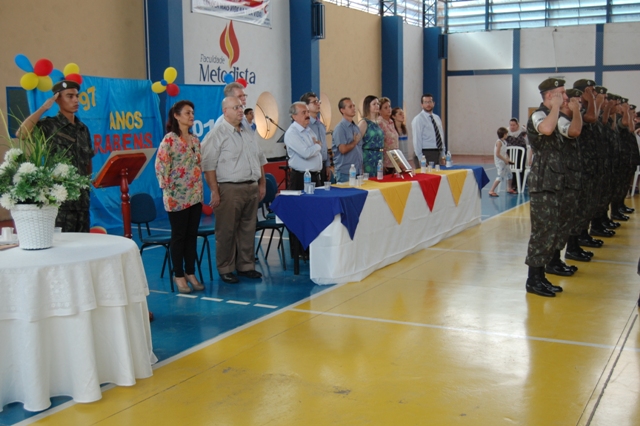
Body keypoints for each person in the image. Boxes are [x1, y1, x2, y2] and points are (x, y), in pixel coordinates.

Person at [525, 77, 581, 298]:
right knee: (542, 232)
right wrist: (556, 107)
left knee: (551, 231)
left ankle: (541, 276)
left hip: (555, 182)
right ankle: (533, 279)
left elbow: (573, 131)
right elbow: (546, 129)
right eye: (562, 93)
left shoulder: (554, 116)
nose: (566, 97)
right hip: (543, 184)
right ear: (550, 95)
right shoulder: (539, 115)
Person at [201, 96, 267, 284]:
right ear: (225, 111)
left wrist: (261, 183)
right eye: (236, 107)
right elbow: (208, 165)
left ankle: (246, 265)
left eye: (241, 107)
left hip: (251, 186)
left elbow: (259, 158)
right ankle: (226, 268)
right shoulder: (217, 134)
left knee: (248, 228)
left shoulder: (248, 131)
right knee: (226, 230)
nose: (240, 110)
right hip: (229, 188)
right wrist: (214, 191)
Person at [17, 80, 94, 232]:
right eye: (70, 96)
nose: (76, 100)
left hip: (82, 201)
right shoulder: (49, 125)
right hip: (60, 202)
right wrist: (44, 108)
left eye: (77, 96)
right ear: (57, 99)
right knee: (61, 243)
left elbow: (88, 160)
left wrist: (87, 183)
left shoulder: (82, 129)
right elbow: (21, 134)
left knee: (84, 242)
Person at [155, 100, 205, 294]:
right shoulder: (169, 140)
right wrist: (170, 189)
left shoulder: (195, 140)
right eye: (187, 113)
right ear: (176, 116)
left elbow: (198, 165)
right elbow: (161, 167)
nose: (191, 116)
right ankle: (178, 274)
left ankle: (190, 272)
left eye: (192, 112)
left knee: (192, 236)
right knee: (179, 236)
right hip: (177, 197)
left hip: (194, 195)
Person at [284, 102, 323, 189]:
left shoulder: (309, 130)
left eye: (308, 112)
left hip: (315, 176)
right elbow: (306, 153)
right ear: (294, 116)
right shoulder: (292, 133)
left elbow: (313, 151)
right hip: (301, 178)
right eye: (303, 113)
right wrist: (318, 146)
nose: (307, 115)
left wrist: (315, 148)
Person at [300, 92, 331, 181]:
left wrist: (327, 165)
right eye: (314, 102)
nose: (318, 104)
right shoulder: (305, 125)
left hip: (323, 165)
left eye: (318, 101)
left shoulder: (321, 125)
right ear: (306, 106)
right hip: (310, 166)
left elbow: (324, 146)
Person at [332, 97, 362, 183]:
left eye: (354, 106)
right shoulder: (340, 128)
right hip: (345, 172)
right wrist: (354, 142)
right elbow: (343, 149)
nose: (353, 108)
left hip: (358, 170)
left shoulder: (355, 127)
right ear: (342, 110)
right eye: (350, 106)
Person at [411, 93, 445, 166]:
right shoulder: (418, 119)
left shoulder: (437, 118)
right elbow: (417, 139)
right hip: (425, 153)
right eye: (425, 102)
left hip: (438, 152)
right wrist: (420, 157)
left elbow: (441, 136)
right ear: (422, 105)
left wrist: (443, 154)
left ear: (433, 103)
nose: (428, 104)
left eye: (430, 102)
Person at [358, 95, 384, 176]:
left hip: (379, 155)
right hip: (368, 156)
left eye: (378, 104)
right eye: (374, 104)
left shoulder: (377, 123)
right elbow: (357, 143)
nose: (377, 106)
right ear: (368, 106)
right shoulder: (364, 123)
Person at [488, 127, 514, 197]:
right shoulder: (499, 142)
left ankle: (509, 188)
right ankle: (491, 190)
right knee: (500, 176)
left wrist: (508, 159)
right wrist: (505, 160)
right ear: (504, 134)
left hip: (504, 161)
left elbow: (505, 152)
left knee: (509, 174)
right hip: (500, 162)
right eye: (506, 134)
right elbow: (497, 154)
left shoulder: (504, 142)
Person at [377, 97, 399, 174]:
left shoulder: (391, 122)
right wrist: (381, 161)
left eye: (389, 106)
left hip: (394, 159)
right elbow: (379, 143)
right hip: (385, 160)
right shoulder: (379, 122)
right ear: (380, 110)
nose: (389, 109)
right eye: (385, 108)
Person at [506, 118, 528, 191]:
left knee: (520, 166)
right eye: (511, 125)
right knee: (511, 167)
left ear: (517, 125)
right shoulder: (507, 132)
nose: (512, 127)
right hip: (510, 152)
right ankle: (512, 184)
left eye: (513, 125)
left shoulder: (522, 130)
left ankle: (521, 183)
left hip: (521, 152)